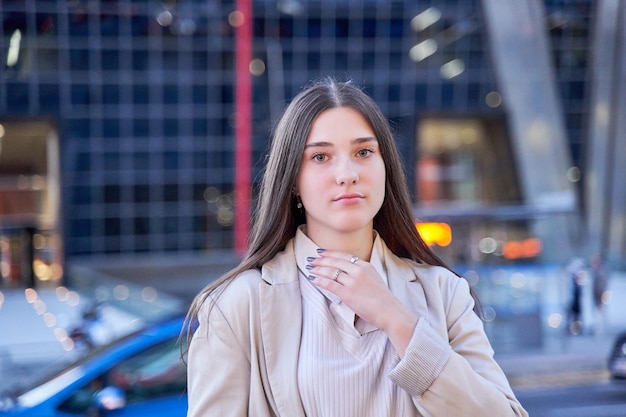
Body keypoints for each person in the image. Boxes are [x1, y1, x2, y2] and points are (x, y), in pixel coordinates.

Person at [184, 78, 527, 416]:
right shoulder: (236, 307)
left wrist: (397, 320)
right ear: (292, 181)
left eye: (363, 152)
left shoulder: (444, 292)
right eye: (320, 157)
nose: (347, 173)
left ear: (385, 167)